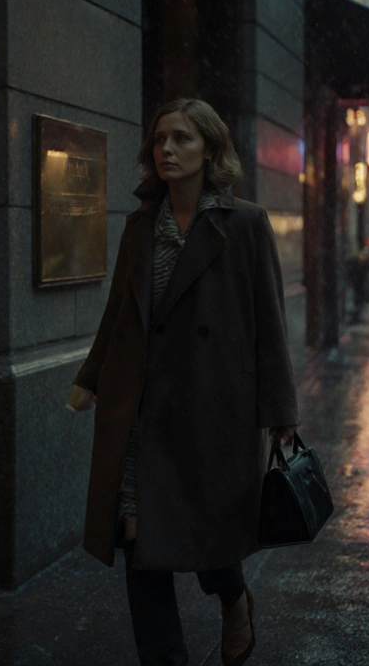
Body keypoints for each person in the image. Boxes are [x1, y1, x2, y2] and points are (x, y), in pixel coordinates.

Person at [66, 98, 299, 666]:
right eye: (160, 140)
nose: (166, 150)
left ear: (210, 150)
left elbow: (269, 321)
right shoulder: (141, 225)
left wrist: (280, 409)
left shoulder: (243, 223)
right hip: (141, 405)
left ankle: (233, 597)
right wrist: (92, 376)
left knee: (208, 531)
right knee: (138, 537)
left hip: (213, 402)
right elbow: (121, 311)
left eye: (182, 140)